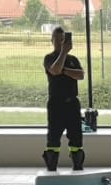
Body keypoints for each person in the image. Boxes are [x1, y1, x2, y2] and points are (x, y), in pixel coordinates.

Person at [43, 27, 86, 173]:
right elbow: (54, 70)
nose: (60, 42)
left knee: (76, 139)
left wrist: (64, 70)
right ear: (52, 41)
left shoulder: (73, 59)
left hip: (72, 103)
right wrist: (63, 53)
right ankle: (51, 168)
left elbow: (81, 75)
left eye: (63, 40)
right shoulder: (49, 58)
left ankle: (78, 168)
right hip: (56, 104)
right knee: (53, 138)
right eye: (57, 40)